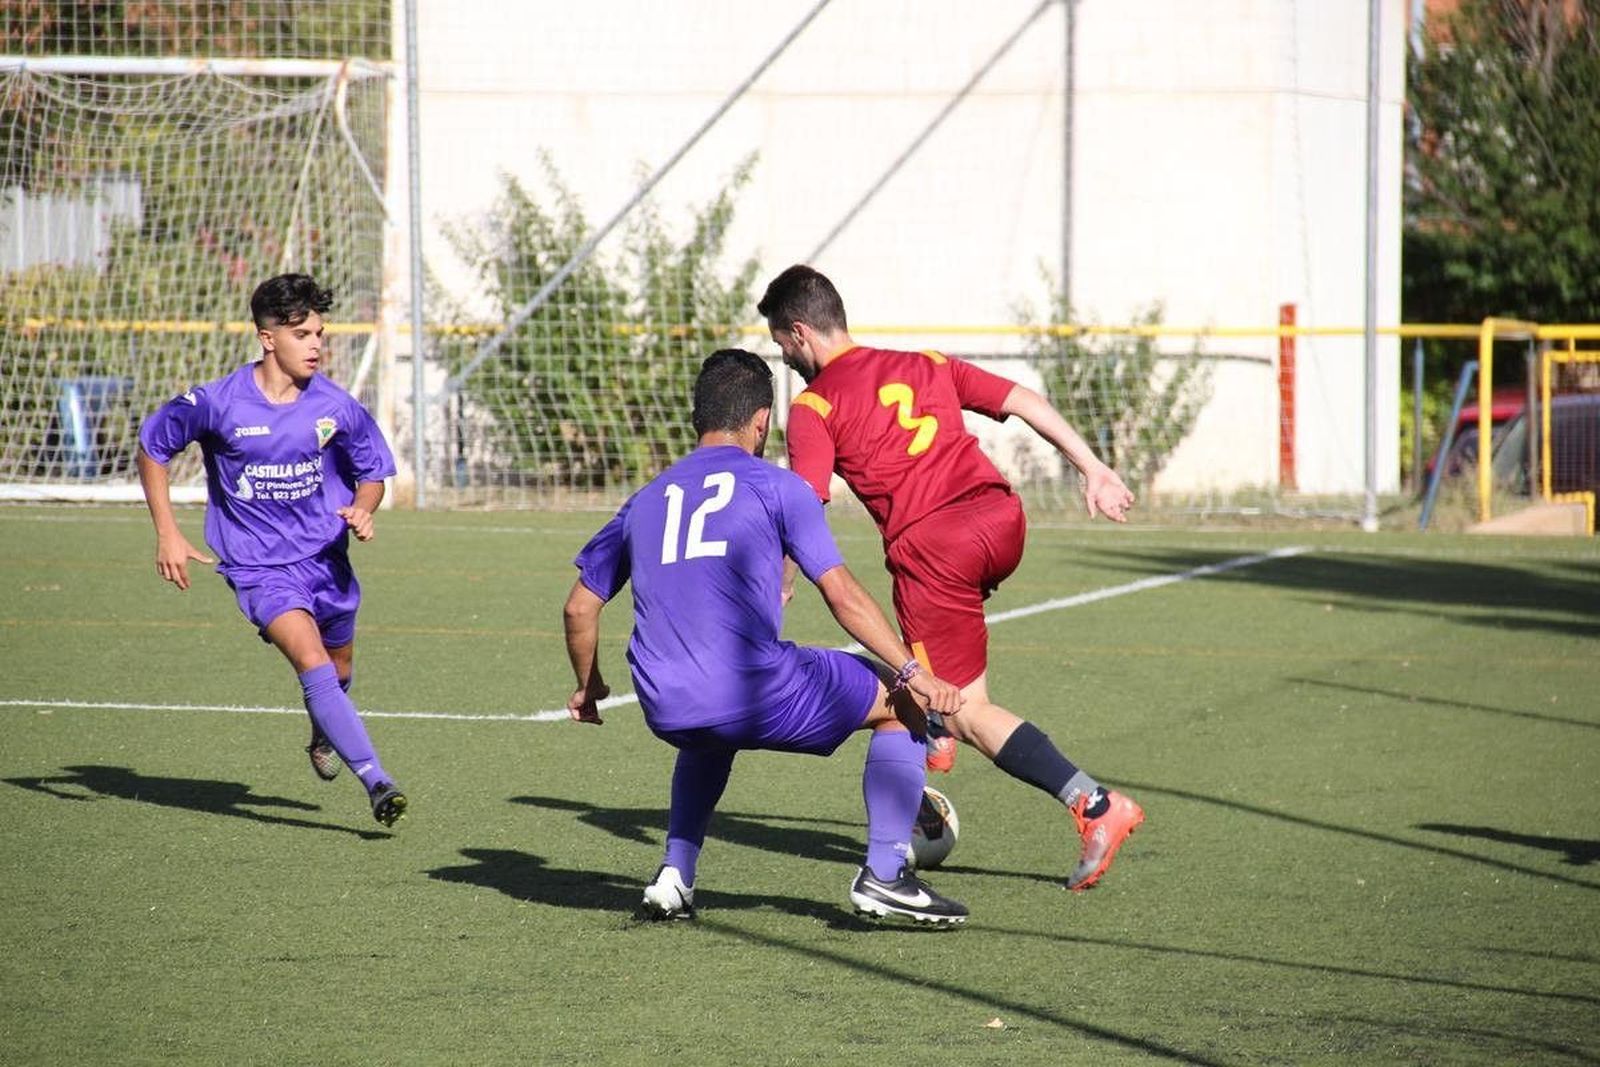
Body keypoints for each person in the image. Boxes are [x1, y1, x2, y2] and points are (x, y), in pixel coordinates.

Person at [758, 264, 1143, 891]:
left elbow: (807, 503)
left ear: (799, 332)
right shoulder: (925, 362)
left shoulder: (815, 404)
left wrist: (781, 577)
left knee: (962, 705)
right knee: (933, 661)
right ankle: (934, 736)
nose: (786, 359)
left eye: (781, 345)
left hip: (936, 549)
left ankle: (1094, 804)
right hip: (1002, 521)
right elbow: (1023, 400)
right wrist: (1093, 468)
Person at [563, 348, 970, 924]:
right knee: (897, 705)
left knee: (709, 733)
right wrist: (913, 672)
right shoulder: (779, 487)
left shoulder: (646, 498)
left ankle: (676, 873)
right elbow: (842, 594)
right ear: (760, 422)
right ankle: (885, 873)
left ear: (696, 418)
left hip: (666, 702)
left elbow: (580, 608)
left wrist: (589, 685)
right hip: (752, 689)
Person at [136, 272, 406, 827]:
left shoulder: (335, 406)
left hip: (327, 562)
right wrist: (167, 530)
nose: (316, 345)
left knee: (338, 668)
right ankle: (378, 782)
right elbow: (152, 447)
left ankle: (323, 729)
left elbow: (374, 471)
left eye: (320, 334)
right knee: (310, 660)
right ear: (267, 338)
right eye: (304, 334)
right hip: (258, 565)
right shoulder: (217, 403)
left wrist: (363, 507)